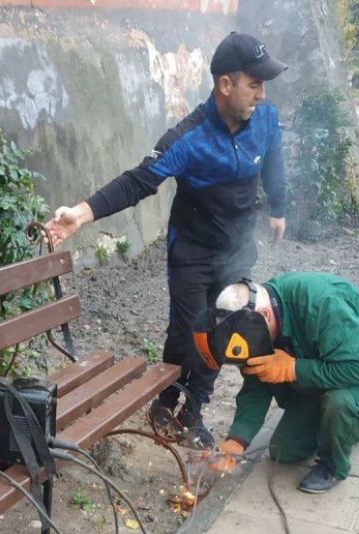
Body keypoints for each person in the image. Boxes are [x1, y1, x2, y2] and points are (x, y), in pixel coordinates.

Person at [45, 32, 289, 447]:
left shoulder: (264, 120)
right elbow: (139, 181)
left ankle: (193, 410)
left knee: (225, 331)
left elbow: (275, 159)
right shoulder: (188, 139)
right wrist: (80, 216)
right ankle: (167, 397)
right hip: (191, 252)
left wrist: (278, 208)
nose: (261, 95)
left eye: (263, 85)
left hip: (236, 252)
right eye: (254, 84)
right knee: (186, 333)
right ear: (225, 85)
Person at [193, 273, 359, 493]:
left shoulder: (322, 303)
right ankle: (341, 425)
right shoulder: (250, 326)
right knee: (284, 452)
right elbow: (256, 386)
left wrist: (292, 368)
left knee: (340, 402)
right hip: (330, 367)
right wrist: (237, 441)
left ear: (265, 314)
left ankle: (333, 465)